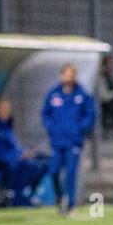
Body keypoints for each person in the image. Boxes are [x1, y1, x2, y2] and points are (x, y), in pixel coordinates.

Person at [41, 63, 96, 216]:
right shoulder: (54, 94)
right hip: (57, 142)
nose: (68, 77)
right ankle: (59, 197)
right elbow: (45, 114)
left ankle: (70, 204)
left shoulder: (81, 94)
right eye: (65, 74)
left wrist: (80, 129)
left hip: (74, 141)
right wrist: (51, 128)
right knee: (53, 171)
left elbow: (90, 114)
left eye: (71, 75)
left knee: (71, 173)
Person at [0, 99, 47, 205]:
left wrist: (24, 153)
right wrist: (17, 156)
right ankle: (19, 197)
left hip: (16, 158)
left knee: (44, 162)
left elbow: (15, 146)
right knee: (30, 166)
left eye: (7, 109)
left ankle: (31, 194)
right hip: (4, 163)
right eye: (2, 109)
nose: (5, 111)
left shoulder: (8, 127)